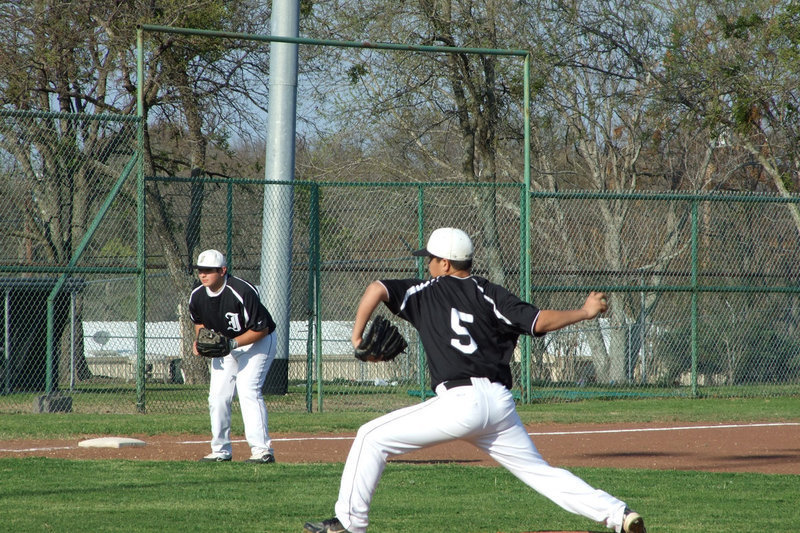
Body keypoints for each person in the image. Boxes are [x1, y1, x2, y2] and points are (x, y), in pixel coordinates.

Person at [304, 228, 646, 533]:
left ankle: (349, 525)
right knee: (540, 472)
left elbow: (376, 288)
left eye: (432, 260)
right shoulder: (490, 293)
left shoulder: (422, 291)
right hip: (498, 404)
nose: (428, 266)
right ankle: (619, 514)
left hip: (460, 402)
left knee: (370, 437)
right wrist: (585, 312)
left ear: (447, 264)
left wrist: (357, 339)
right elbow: (539, 321)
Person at [188, 249, 277, 463]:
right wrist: (200, 340)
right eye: (200, 270)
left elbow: (261, 328)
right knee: (217, 397)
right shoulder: (198, 293)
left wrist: (232, 343)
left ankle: (262, 451)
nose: (203, 274)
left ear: (223, 270)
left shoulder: (242, 290)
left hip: (257, 343)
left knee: (248, 390)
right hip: (225, 345)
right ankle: (220, 450)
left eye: (209, 270)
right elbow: (198, 321)